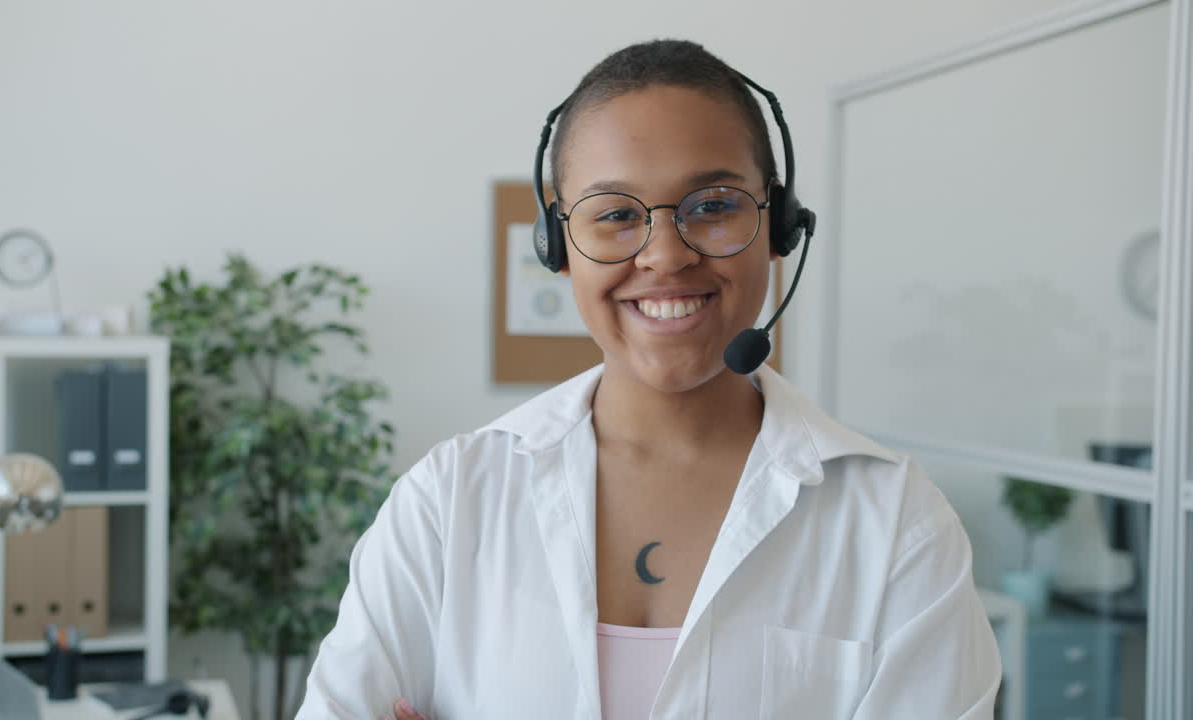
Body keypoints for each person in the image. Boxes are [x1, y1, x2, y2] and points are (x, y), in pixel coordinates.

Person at [296, 40, 1001, 720]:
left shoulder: (895, 525)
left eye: (714, 205)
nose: (664, 256)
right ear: (557, 244)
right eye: (616, 216)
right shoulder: (448, 503)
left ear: (779, 225)